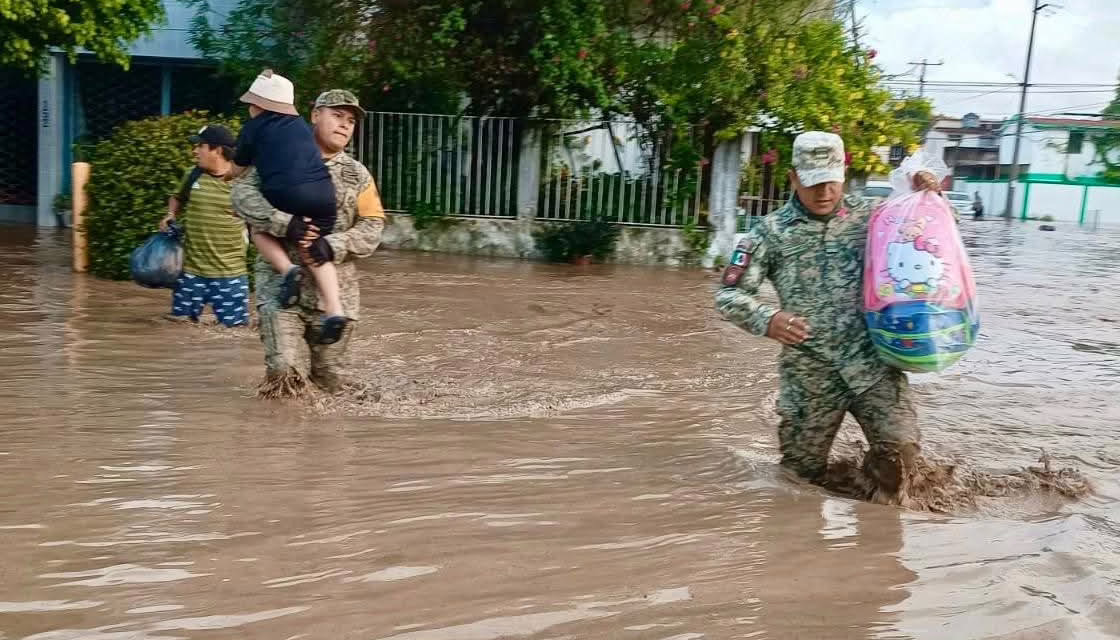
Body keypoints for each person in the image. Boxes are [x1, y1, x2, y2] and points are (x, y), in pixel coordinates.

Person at [714, 132, 940, 505]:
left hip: (873, 363)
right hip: (809, 374)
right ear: (793, 179)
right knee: (798, 480)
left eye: (831, 182)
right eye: (813, 183)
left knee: (901, 454)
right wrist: (767, 318)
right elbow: (728, 295)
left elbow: (933, 240)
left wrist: (928, 198)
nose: (824, 193)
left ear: (844, 173)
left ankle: (876, 535)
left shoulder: (874, 217)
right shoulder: (769, 234)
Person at [231, 89, 386, 395]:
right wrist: (285, 223)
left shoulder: (358, 175)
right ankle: (284, 442)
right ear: (315, 116)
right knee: (285, 375)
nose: (344, 125)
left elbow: (373, 227)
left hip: (334, 299)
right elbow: (240, 195)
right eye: (337, 116)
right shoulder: (277, 154)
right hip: (280, 290)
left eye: (351, 121)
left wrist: (334, 245)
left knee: (331, 383)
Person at [230, 69, 348, 345]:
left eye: (252, 103)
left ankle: (287, 270)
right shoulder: (304, 129)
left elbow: (238, 169)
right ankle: (334, 310)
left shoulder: (253, 129)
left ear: (260, 105)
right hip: (323, 195)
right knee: (314, 247)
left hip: (283, 194)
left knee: (259, 227)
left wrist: (229, 172)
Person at [159, 124, 249, 327]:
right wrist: (170, 214)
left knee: (233, 334)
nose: (194, 151)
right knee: (179, 329)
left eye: (200, 146)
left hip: (231, 275)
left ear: (217, 150)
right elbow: (177, 197)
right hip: (191, 273)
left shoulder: (243, 180)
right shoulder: (193, 175)